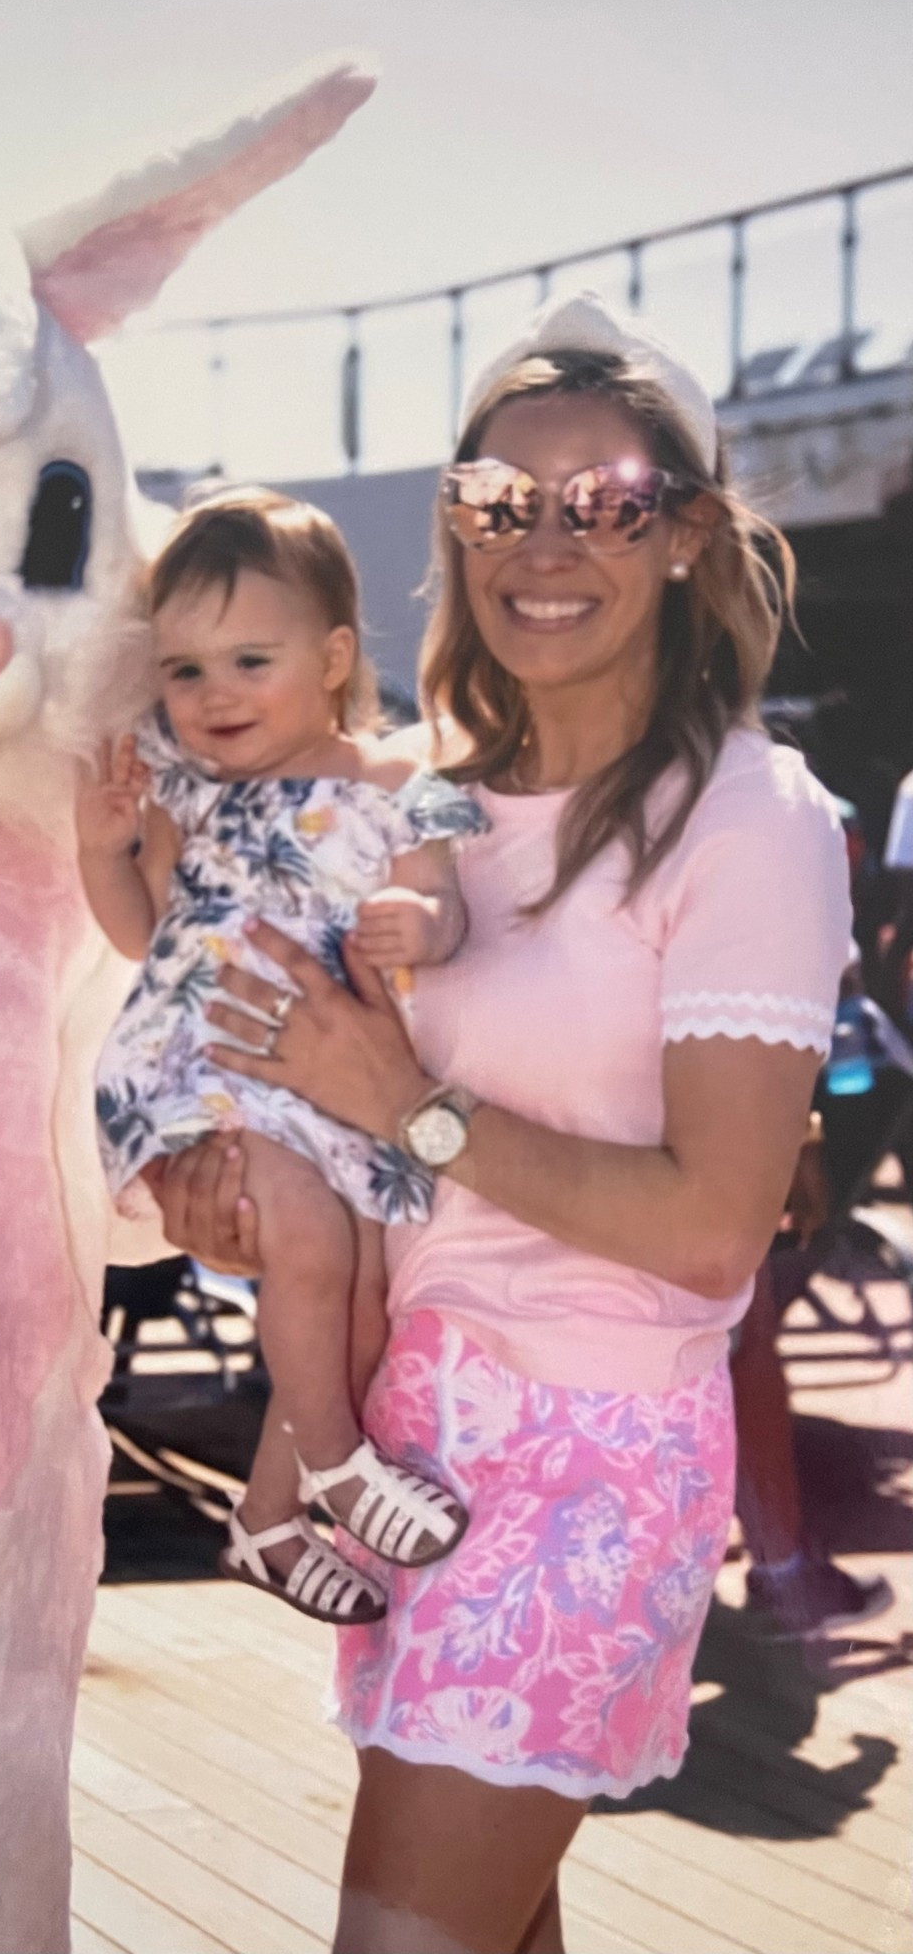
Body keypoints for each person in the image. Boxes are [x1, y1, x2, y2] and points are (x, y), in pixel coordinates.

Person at [148, 294, 852, 1954]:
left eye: (602, 500)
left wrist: (414, 1107)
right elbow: (355, 1128)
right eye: (497, 500)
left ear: (683, 534)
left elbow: (709, 1222)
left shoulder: (750, 819)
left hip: (593, 1456)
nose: (546, 541)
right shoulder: (423, 793)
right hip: (413, 1432)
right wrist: (246, 1191)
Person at [80, 490, 485, 1625]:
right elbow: (140, 930)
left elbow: (445, 906)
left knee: (358, 1293)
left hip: (328, 1085)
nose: (214, 695)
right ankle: (340, 1466)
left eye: (250, 659)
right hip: (205, 1064)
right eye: (186, 670)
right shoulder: (192, 797)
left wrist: (423, 921)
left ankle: (266, 1518)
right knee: (309, 1247)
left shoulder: (405, 786)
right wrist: (102, 845)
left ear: (335, 654)